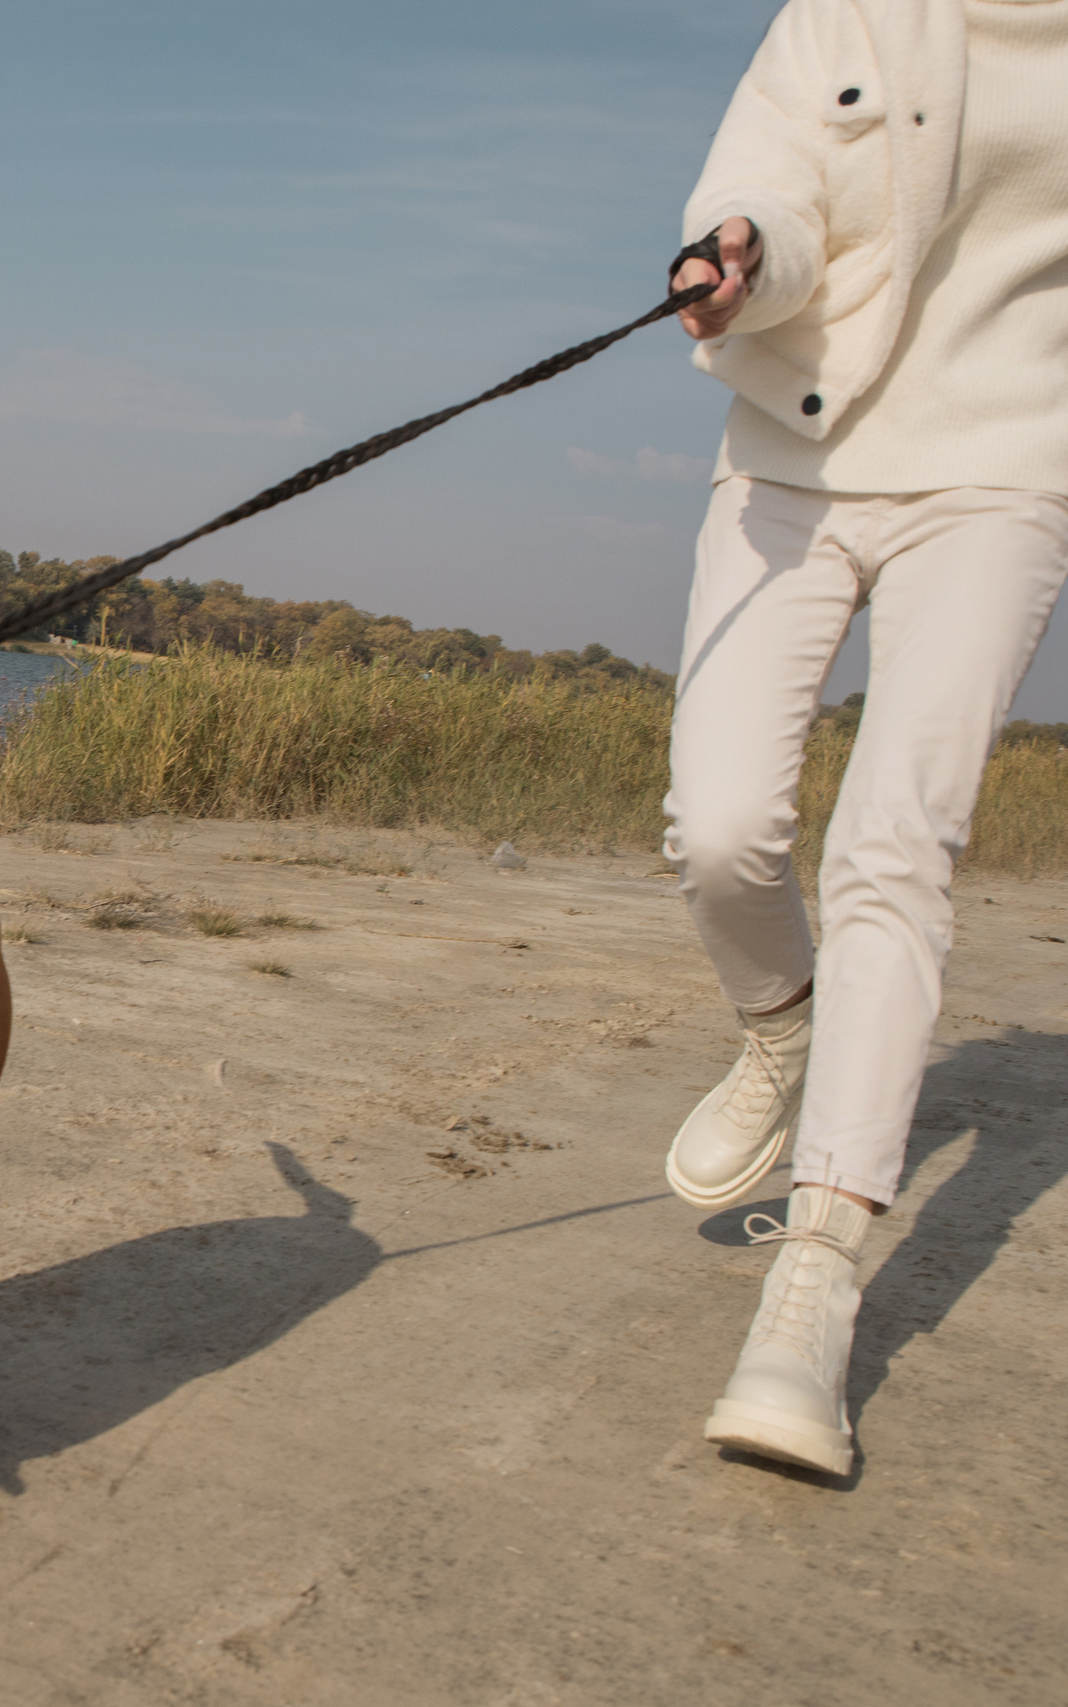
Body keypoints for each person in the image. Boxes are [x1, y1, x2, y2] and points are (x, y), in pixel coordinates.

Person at [661, 0, 1068, 1476]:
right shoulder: (846, 11)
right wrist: (742, 256)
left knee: (896, 842)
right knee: (719, 828)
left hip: (1010, 462)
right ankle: (782, 1032)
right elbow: (767, 180)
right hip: (797, 449)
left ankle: (813, 1287)